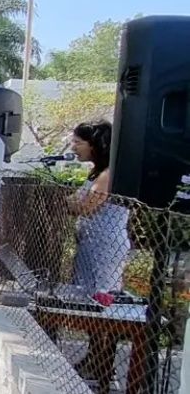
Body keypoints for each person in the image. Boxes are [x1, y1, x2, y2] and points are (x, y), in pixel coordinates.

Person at [67, 120, 131, 294]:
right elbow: (76, 201)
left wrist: (70, 202)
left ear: (95, 145)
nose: (73, 148)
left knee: (98, 295)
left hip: (103, 246)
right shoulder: (97, 172)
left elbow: (84, 206)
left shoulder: (109, 174)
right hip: (90, 242)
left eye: (78, 142)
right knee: (82, 293)